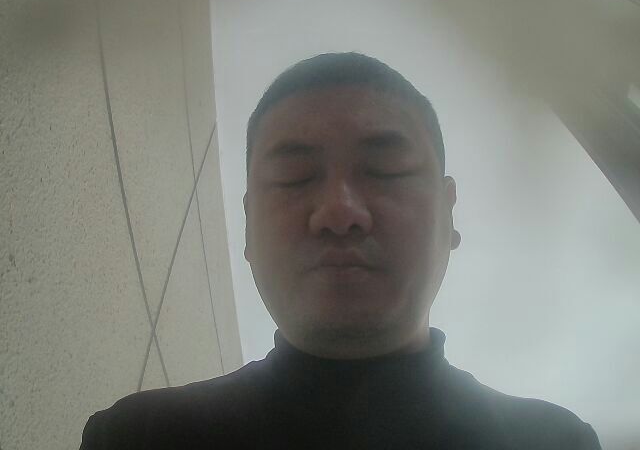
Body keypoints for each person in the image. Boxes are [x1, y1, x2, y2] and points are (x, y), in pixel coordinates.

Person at [81, 52, 601, 449]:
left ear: (449, 214)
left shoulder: (554, 441)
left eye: (386, 171)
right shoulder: (138, 438)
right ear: (247, 228)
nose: (338, 211)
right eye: (293, 176)